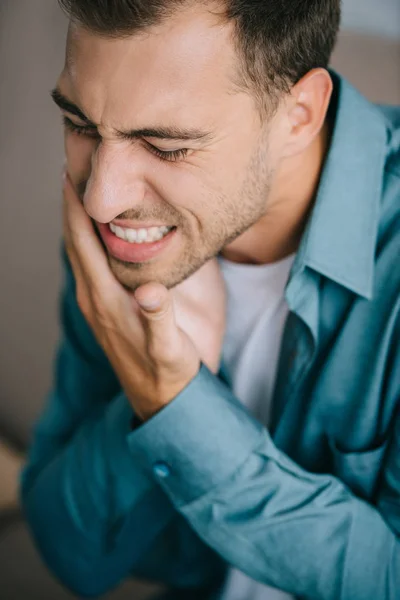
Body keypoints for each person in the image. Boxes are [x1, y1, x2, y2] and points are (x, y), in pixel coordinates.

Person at [20, 1, 400, 599]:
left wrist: (172, 401)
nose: (101, 198)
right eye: (81, 124)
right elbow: (69, 552)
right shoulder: (125, 229)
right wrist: (136, 408)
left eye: (166, 147)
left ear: (298, 116)